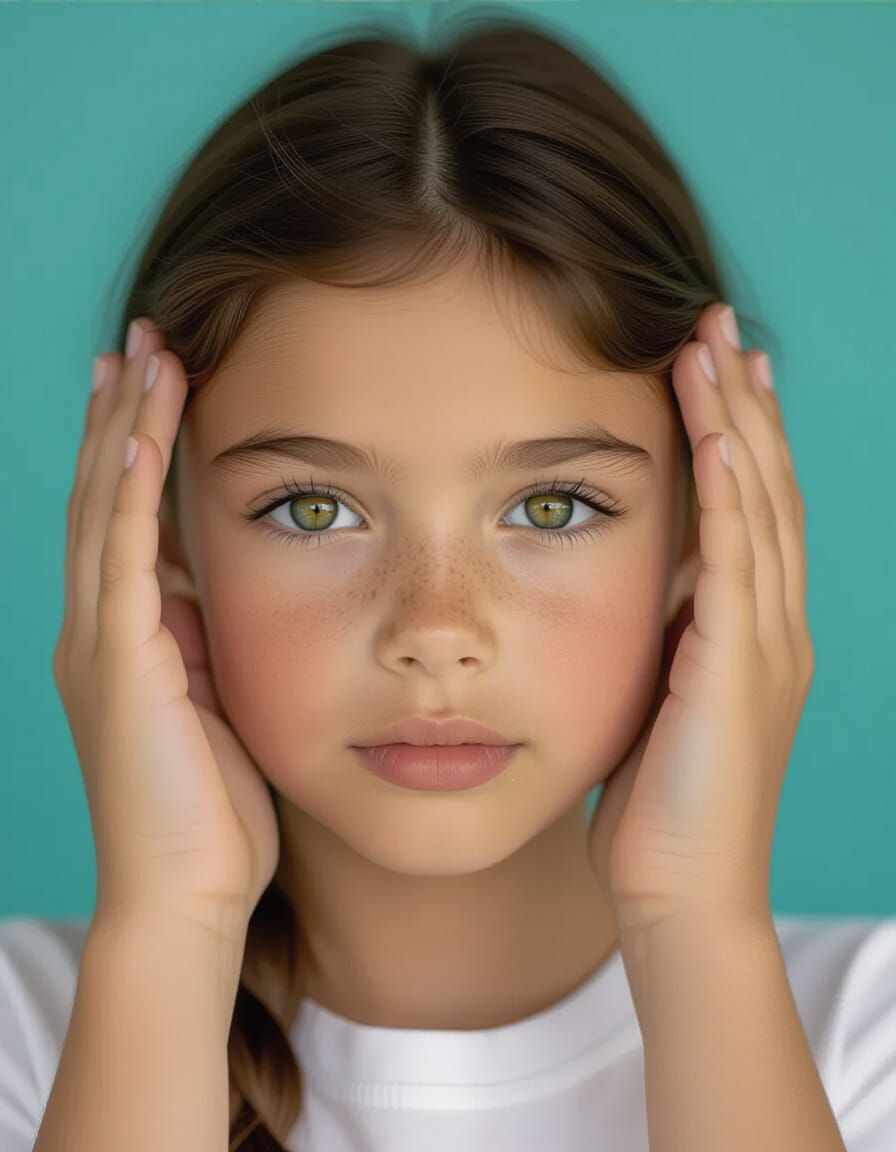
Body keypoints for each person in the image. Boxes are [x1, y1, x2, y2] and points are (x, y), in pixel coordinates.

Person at [2, 11, 894, 1152]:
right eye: (312, 509)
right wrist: (168, 928)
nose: (434, 628)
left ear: (704, 537)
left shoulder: (860, 1040)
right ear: (159, 541)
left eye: (551, 507)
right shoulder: (31, 1039)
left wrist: (696, 929)